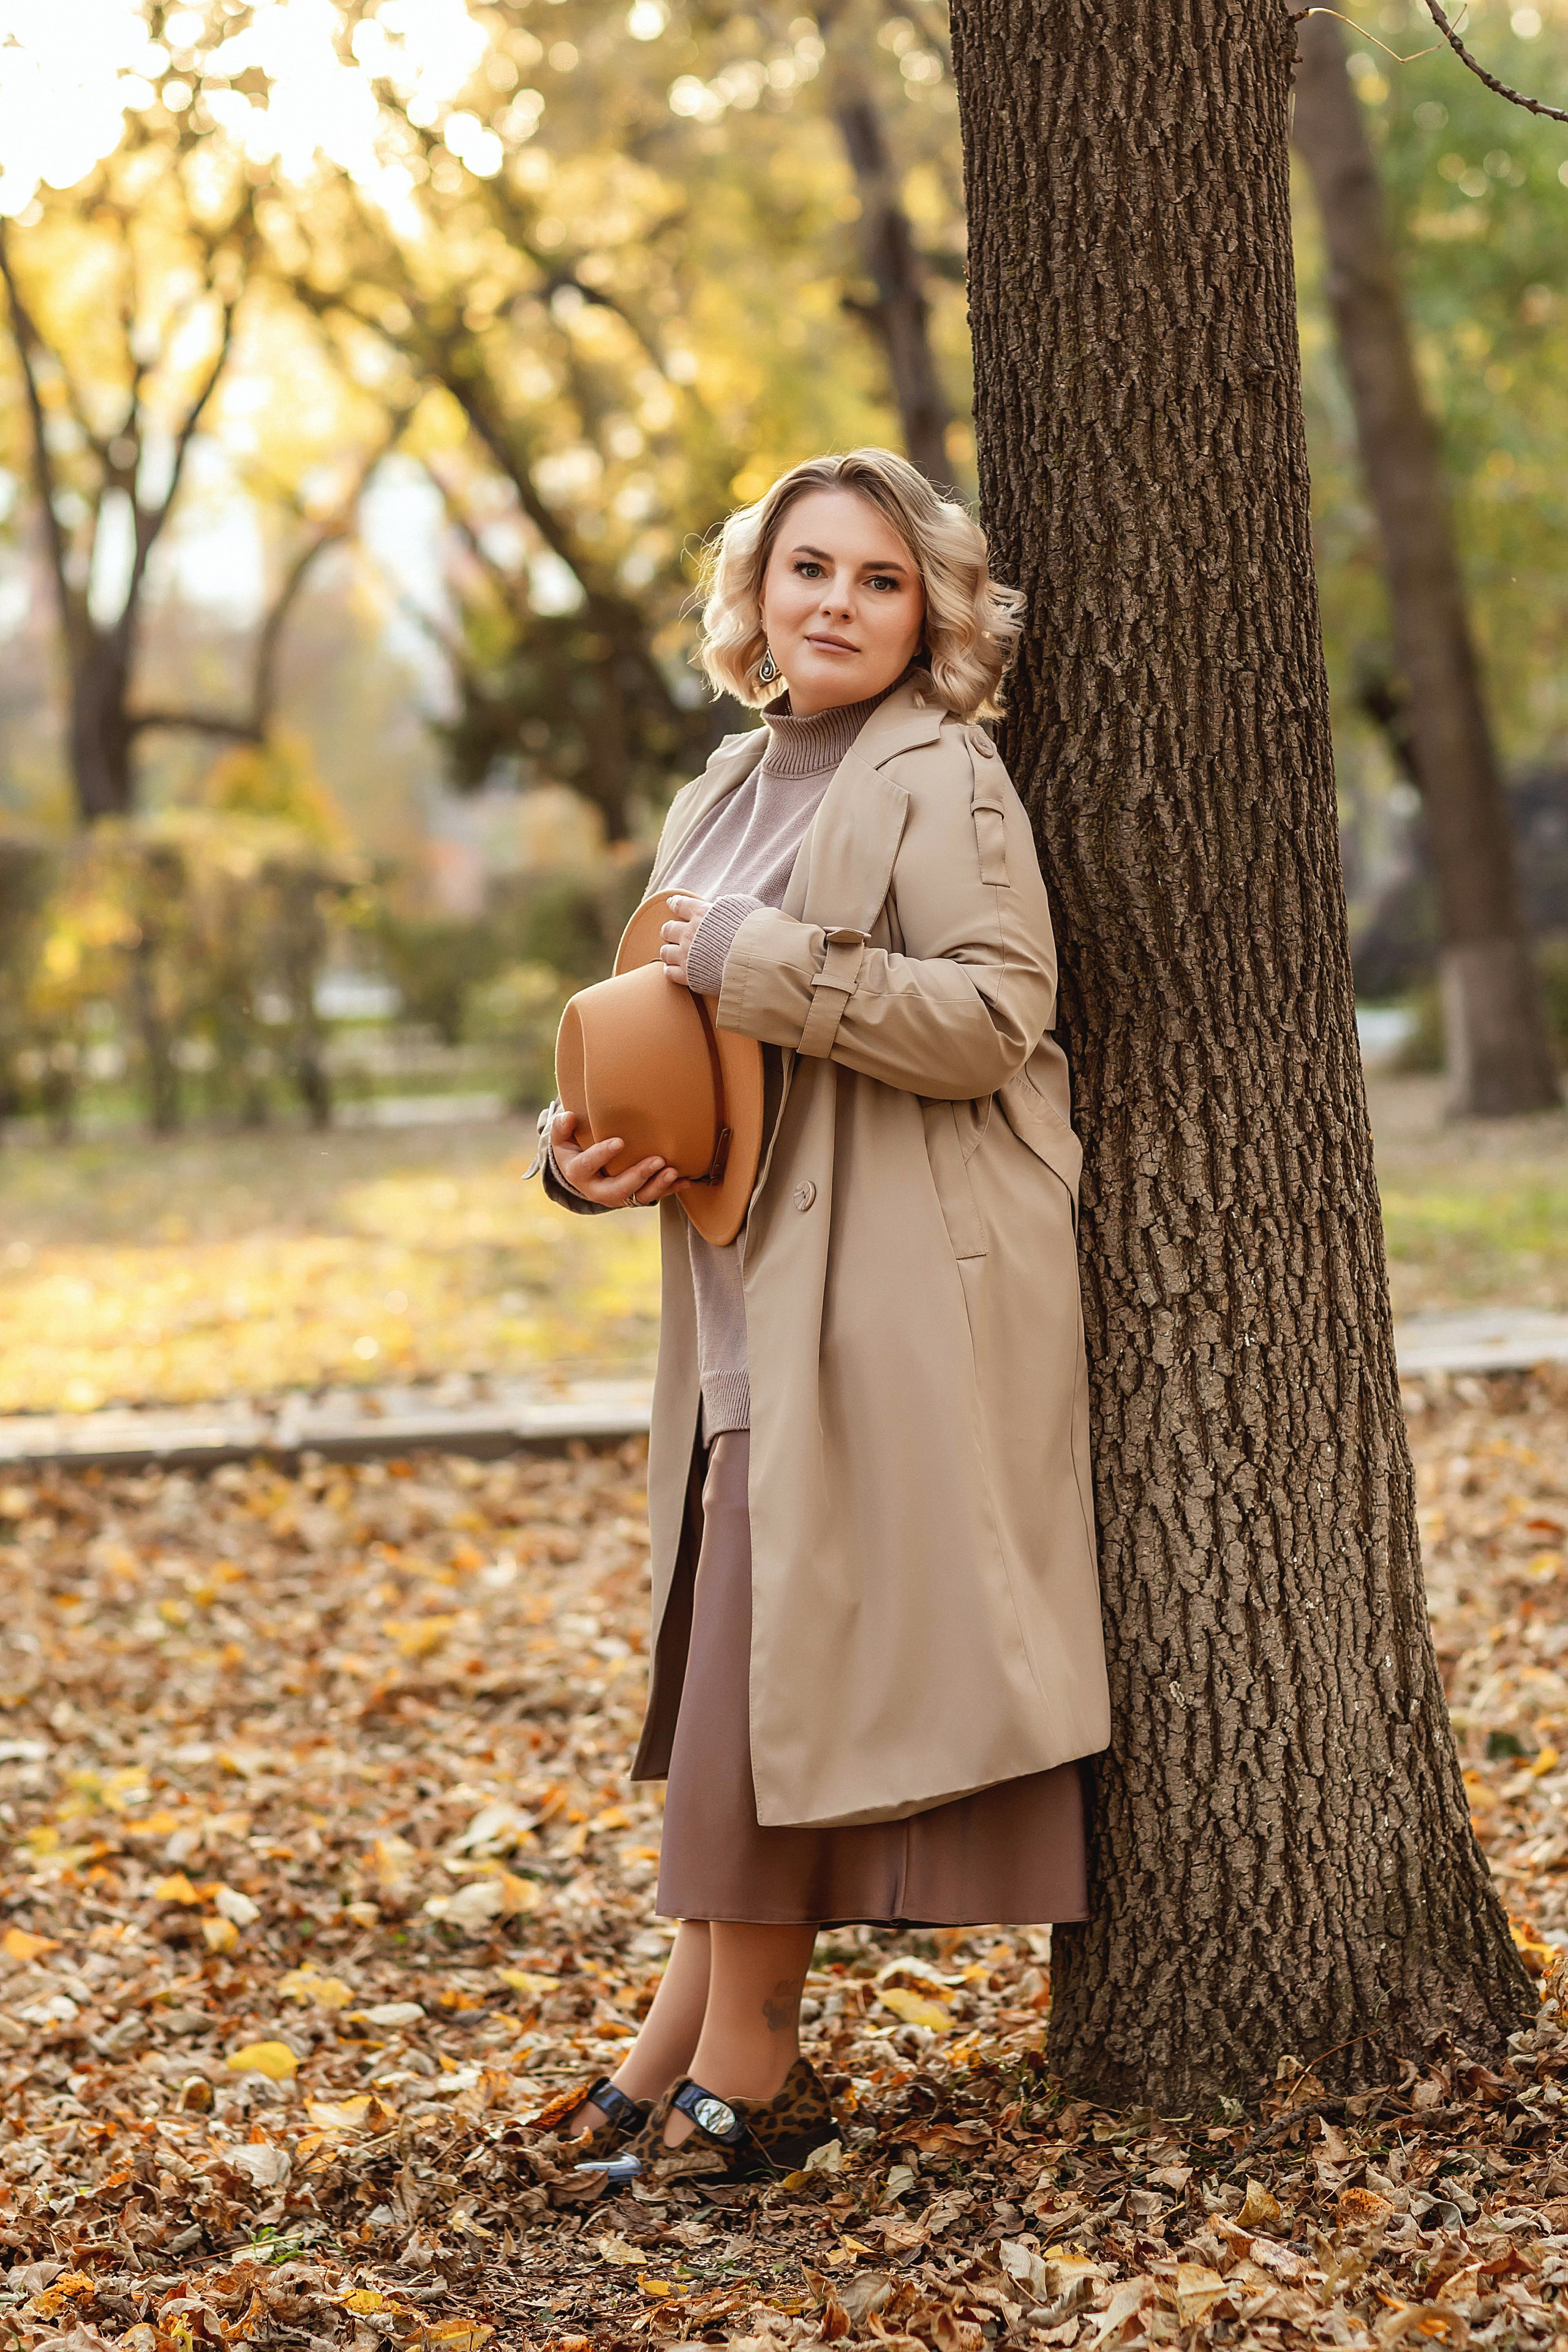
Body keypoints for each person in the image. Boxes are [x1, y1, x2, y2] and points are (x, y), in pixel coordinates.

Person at [527, 448, 1110, 2184]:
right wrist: (571, 1158)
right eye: (809, 572)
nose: (838, 605)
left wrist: (752, 966)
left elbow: (997, 1018)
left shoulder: (950, 776)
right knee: (737, 1666)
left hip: (886, 1287)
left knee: (766, 1667)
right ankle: (686, 2036)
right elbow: (657, 1024)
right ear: (756, 596)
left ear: (929, 607)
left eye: (877, 578)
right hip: (726, 1280)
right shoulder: (720, 786)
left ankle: (740, 2056)